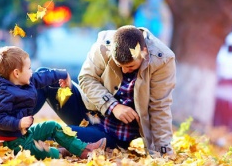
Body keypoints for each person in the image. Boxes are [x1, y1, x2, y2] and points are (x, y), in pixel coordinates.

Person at [0, 46, 106, 160]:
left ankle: (83, 149)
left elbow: (42, 76)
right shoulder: (2, 93)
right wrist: (18, 123)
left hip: (25, 134)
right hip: (14, 145)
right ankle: (61, 152)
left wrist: (62, 74)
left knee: (52, 126)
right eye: (29, 68)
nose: (31, 71)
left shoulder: (24, 81)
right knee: (45, 152)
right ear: (16, 73)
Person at [72, 25, 176, 156]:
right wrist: (113, 106)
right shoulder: (105, 46)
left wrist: (163, 150)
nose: (125, 70)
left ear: (144, 52)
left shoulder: (162, 60)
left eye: (130, 66)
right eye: (119, 65)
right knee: (46, 76)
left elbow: (159, 106)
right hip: (90, 113)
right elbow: (86, 78)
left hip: (111, 133)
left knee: (56, 131)